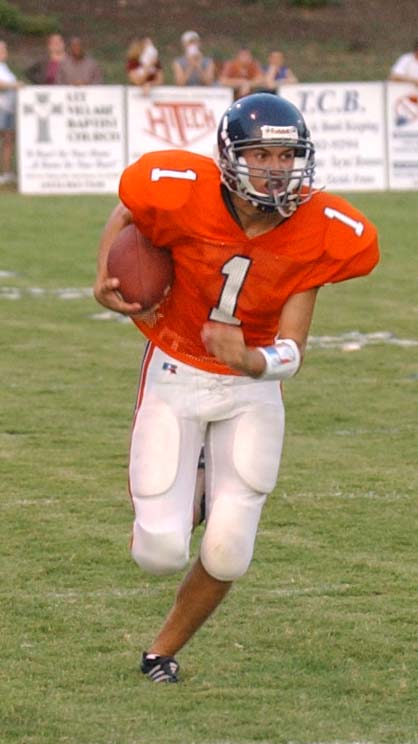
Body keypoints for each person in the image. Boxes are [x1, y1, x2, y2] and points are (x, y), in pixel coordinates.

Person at [94, 92, 379, 684]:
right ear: (230, 157)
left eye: (287, 155)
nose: (276, 168)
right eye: (261, 154)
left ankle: (160, 653)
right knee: (158, 552)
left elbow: (292, 350)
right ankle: (193, 491)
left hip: (250, 389)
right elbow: (128, 210)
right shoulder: (182, 191)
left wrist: (251, 359)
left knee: (229, 550)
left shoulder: (320, 228)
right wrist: (104, 274)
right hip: (177, 365)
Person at [0, 40, 24, 185]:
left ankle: (6, 172)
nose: (4, 51)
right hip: (1, 107)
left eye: (5, 49)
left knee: (9, 141)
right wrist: (15, 85)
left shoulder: (5, 67)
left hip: (10, 108)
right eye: (1, 49)